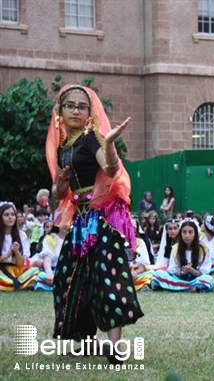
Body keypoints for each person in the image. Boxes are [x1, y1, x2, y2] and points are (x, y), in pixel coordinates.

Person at [46, 84, 144, 364]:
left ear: (90, 112)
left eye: (82, 106)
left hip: (103, 219)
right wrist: (58, 189)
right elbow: (60, 193)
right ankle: (85, 342)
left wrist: (110, 143)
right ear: (60, 112)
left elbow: (111, 169)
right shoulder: (63, 148)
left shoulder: (91, 138)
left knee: (108, 277)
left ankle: (115, 348)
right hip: (81, 220)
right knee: (69, 277)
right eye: (70, 106)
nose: (76, 111)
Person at [151, 218, 214, 292]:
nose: (187, 235)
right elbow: (172, 270)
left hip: (196, 279)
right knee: (158, 274)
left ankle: (175, 287)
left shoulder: (203, 249)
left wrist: (191, 270)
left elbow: (204, 272)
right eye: (184, 232)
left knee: (208, 280)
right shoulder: (176, 248)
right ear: (180, 233)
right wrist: (182, 272)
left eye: (190, 232)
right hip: (178, 279)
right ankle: (190, 288)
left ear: (195, 233)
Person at [0, 202, 39, 291]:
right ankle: (16, 285)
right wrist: (8, 254)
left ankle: (9, 285)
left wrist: (17, 252)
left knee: (35, 271)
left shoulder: (21, 236)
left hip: (16, 271)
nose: (10, 217)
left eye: (13, 214)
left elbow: (20, 264)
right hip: (1, 270)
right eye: (6, 215)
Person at [31, 224, 69, 291]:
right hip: (54, 270)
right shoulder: (51, 238)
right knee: (41, 276)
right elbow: (47, 258)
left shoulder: (75, 237)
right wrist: (49, 273)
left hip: (69, 272)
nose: (66, 225)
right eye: (64, 221)